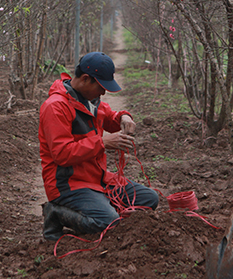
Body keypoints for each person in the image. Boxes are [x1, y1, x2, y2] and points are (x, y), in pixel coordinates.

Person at [38, 51, 159, 241]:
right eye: (101, 87)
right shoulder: (55, 107)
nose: (104, 92)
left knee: (150, 199)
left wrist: (123, 117)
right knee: (109, 223)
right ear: (86, 79)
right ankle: (56, 213)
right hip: (69, 185)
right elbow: (62, 154)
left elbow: (109, 117)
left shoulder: (90, 100)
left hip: (98, 179)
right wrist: (103, 142)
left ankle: (99, 207)